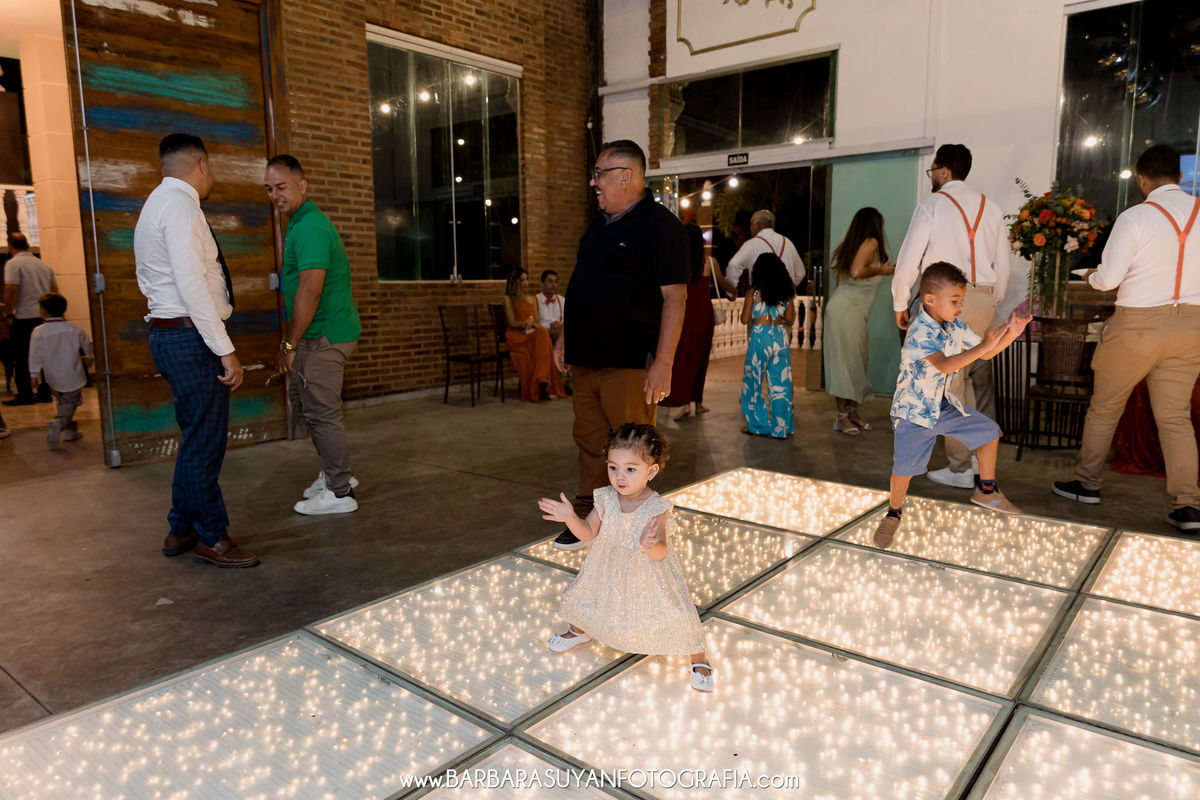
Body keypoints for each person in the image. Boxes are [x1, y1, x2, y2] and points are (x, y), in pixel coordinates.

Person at [1052, 145, 1200, 532]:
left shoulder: (1135, 216)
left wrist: (1090, 275)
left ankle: (1087, 484)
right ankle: (1188, 504)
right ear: (1180, 177)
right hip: (1191, 327)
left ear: (1141, 180)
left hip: (1137, 325)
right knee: (1175, 418)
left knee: (1105, 407)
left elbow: (1108, 279)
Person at [551, 139, 688, 551]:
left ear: (625, 176)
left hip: (629, 362)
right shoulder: (598, 226)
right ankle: (590, 514)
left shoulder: (661, 227)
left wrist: (664, 362)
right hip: (586, 358)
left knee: (632, 450)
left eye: (600, 174)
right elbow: (581, 287)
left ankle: (635, 525)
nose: (594, 182)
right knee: (590, 441)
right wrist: (566, 336)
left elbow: (675, 297)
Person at [135, 133, 257, 567]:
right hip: (191, 338)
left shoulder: (156, 203)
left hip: (172, 335)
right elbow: (192, 285)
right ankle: (211, 536)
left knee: (194, 438)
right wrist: (225, 349)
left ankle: (182, 525)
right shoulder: (182, 207)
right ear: (202, 164)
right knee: (205, 443)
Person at [537, 423, 714, 692]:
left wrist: (650, 545)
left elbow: (661, 552)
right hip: (607, 568)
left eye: (630, 469)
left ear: (650, 471)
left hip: (647, 573)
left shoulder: (656, 507)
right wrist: (571, 518)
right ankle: (579, 630)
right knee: (585, 597)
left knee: (675, 614)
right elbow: (588, 533)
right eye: (613, 467)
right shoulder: (606, 498)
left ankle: (698, 658)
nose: (619, 477)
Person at [874, 263, 1030, 547]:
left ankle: (986, 490)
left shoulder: (955, 325)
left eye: (961, 300)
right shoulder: (919, 331)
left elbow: (986, 353)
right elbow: (944, 365)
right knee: (904, 469)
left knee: (989, 432)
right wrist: (984, 346)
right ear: (930, 299)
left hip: (943, 406)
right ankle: (893, 514)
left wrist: (1011, 333)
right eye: (955, 301)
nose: (961, 307)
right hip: (913, 414)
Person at [891, 144, 1011, 489]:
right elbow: (1003, 264)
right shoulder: (992, 207)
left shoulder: (932, 205)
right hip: (983, 296)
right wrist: (990, 299)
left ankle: (960, 469)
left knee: (948, 383)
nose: (932, 176)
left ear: (943, 170)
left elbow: (909, 259)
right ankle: (974, 455)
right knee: (969, 377)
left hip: (944, 300)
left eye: (932, 170)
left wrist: (900, 301)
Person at [265, 154, 363, 516]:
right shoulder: (300, 222)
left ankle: (339, 492)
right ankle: (334, 473)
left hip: (325, 335)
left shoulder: (310, 227)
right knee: (306, 405)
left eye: (281, 187)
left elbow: (310, 288)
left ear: (302, 186)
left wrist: (289, 344)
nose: (275, 195)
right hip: (315, 333)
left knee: (322, 413)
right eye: (269, 189)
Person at [825, 207, 896, 435]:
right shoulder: (871, 243)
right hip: (847, 310)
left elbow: (844, 279)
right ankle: (842, 418)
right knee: (845, 364)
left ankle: (852, 413)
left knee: (856, 362)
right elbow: (856, 272)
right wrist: (881, 270)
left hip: (845, 309)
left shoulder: (853, 246)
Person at [661, 223, 715, 421]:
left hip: (684, 315)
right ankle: (698, 403)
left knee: (683, 358)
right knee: (701, 359)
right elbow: (725, 284)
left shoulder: (679, 262)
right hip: (705, 316)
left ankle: (684, 404)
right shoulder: (710, 263)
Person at [740, 252, 795, 438]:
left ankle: (758, 425)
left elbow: (744, 319)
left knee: (753, 382)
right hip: (780, 337)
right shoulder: (786, 292)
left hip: (760, 337)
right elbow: (789, 318)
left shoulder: (754, 292)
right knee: (781, 385)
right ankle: (781, 428)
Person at [27, 292, 92, 448]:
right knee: (70, 403)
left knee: (63, 403)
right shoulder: (74, 330)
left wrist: (34, 374)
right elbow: (88, 345)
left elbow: (34, 354)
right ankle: (59, 424)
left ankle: (71, 432)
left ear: (43, 311)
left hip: (52, 378)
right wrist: (90, 356)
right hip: (72, 375)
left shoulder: (38, 332)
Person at [3, 232, 57, 406]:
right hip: (44, 316)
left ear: (10, 246)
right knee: (43, 356)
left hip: (24, 317)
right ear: (27, 245)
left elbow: (11, 289)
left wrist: (8, 313)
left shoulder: (13, 264)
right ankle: (44, 391)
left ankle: (25, 394)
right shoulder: (44, 265)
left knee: (23, 356)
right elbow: (54, 291)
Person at [503, 268, 568, 402]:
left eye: (526, 279)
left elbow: (537, 320)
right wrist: (524, 323)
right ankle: (543, 379)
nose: (526, 283)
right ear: (515, 282)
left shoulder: (532, 299)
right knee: (543, 335)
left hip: (531, 332)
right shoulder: (507, 299)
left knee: (542, 333)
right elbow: (512, 322)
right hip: (517, 334)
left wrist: (533, 323)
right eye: (522, 280)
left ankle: (542, 379)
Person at [723, 209, 805, 296]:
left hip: (762, 300)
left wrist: (730, 291)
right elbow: (801, 273)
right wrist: (787, 287)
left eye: (751, 224)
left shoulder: (752, 244)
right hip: (787, 300)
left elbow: (733, 264)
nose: (750, 228)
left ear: (759, 224)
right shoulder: (787, 242)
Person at [536, 269, 564, 343]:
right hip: (541, 334)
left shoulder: (562, 300)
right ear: (542, 284)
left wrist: (560, 324)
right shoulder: (536, 300)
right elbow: (533, 322)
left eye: (556, 282)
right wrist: (549, 325)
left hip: (559, 334)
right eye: (550, 281)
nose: (553, 285)